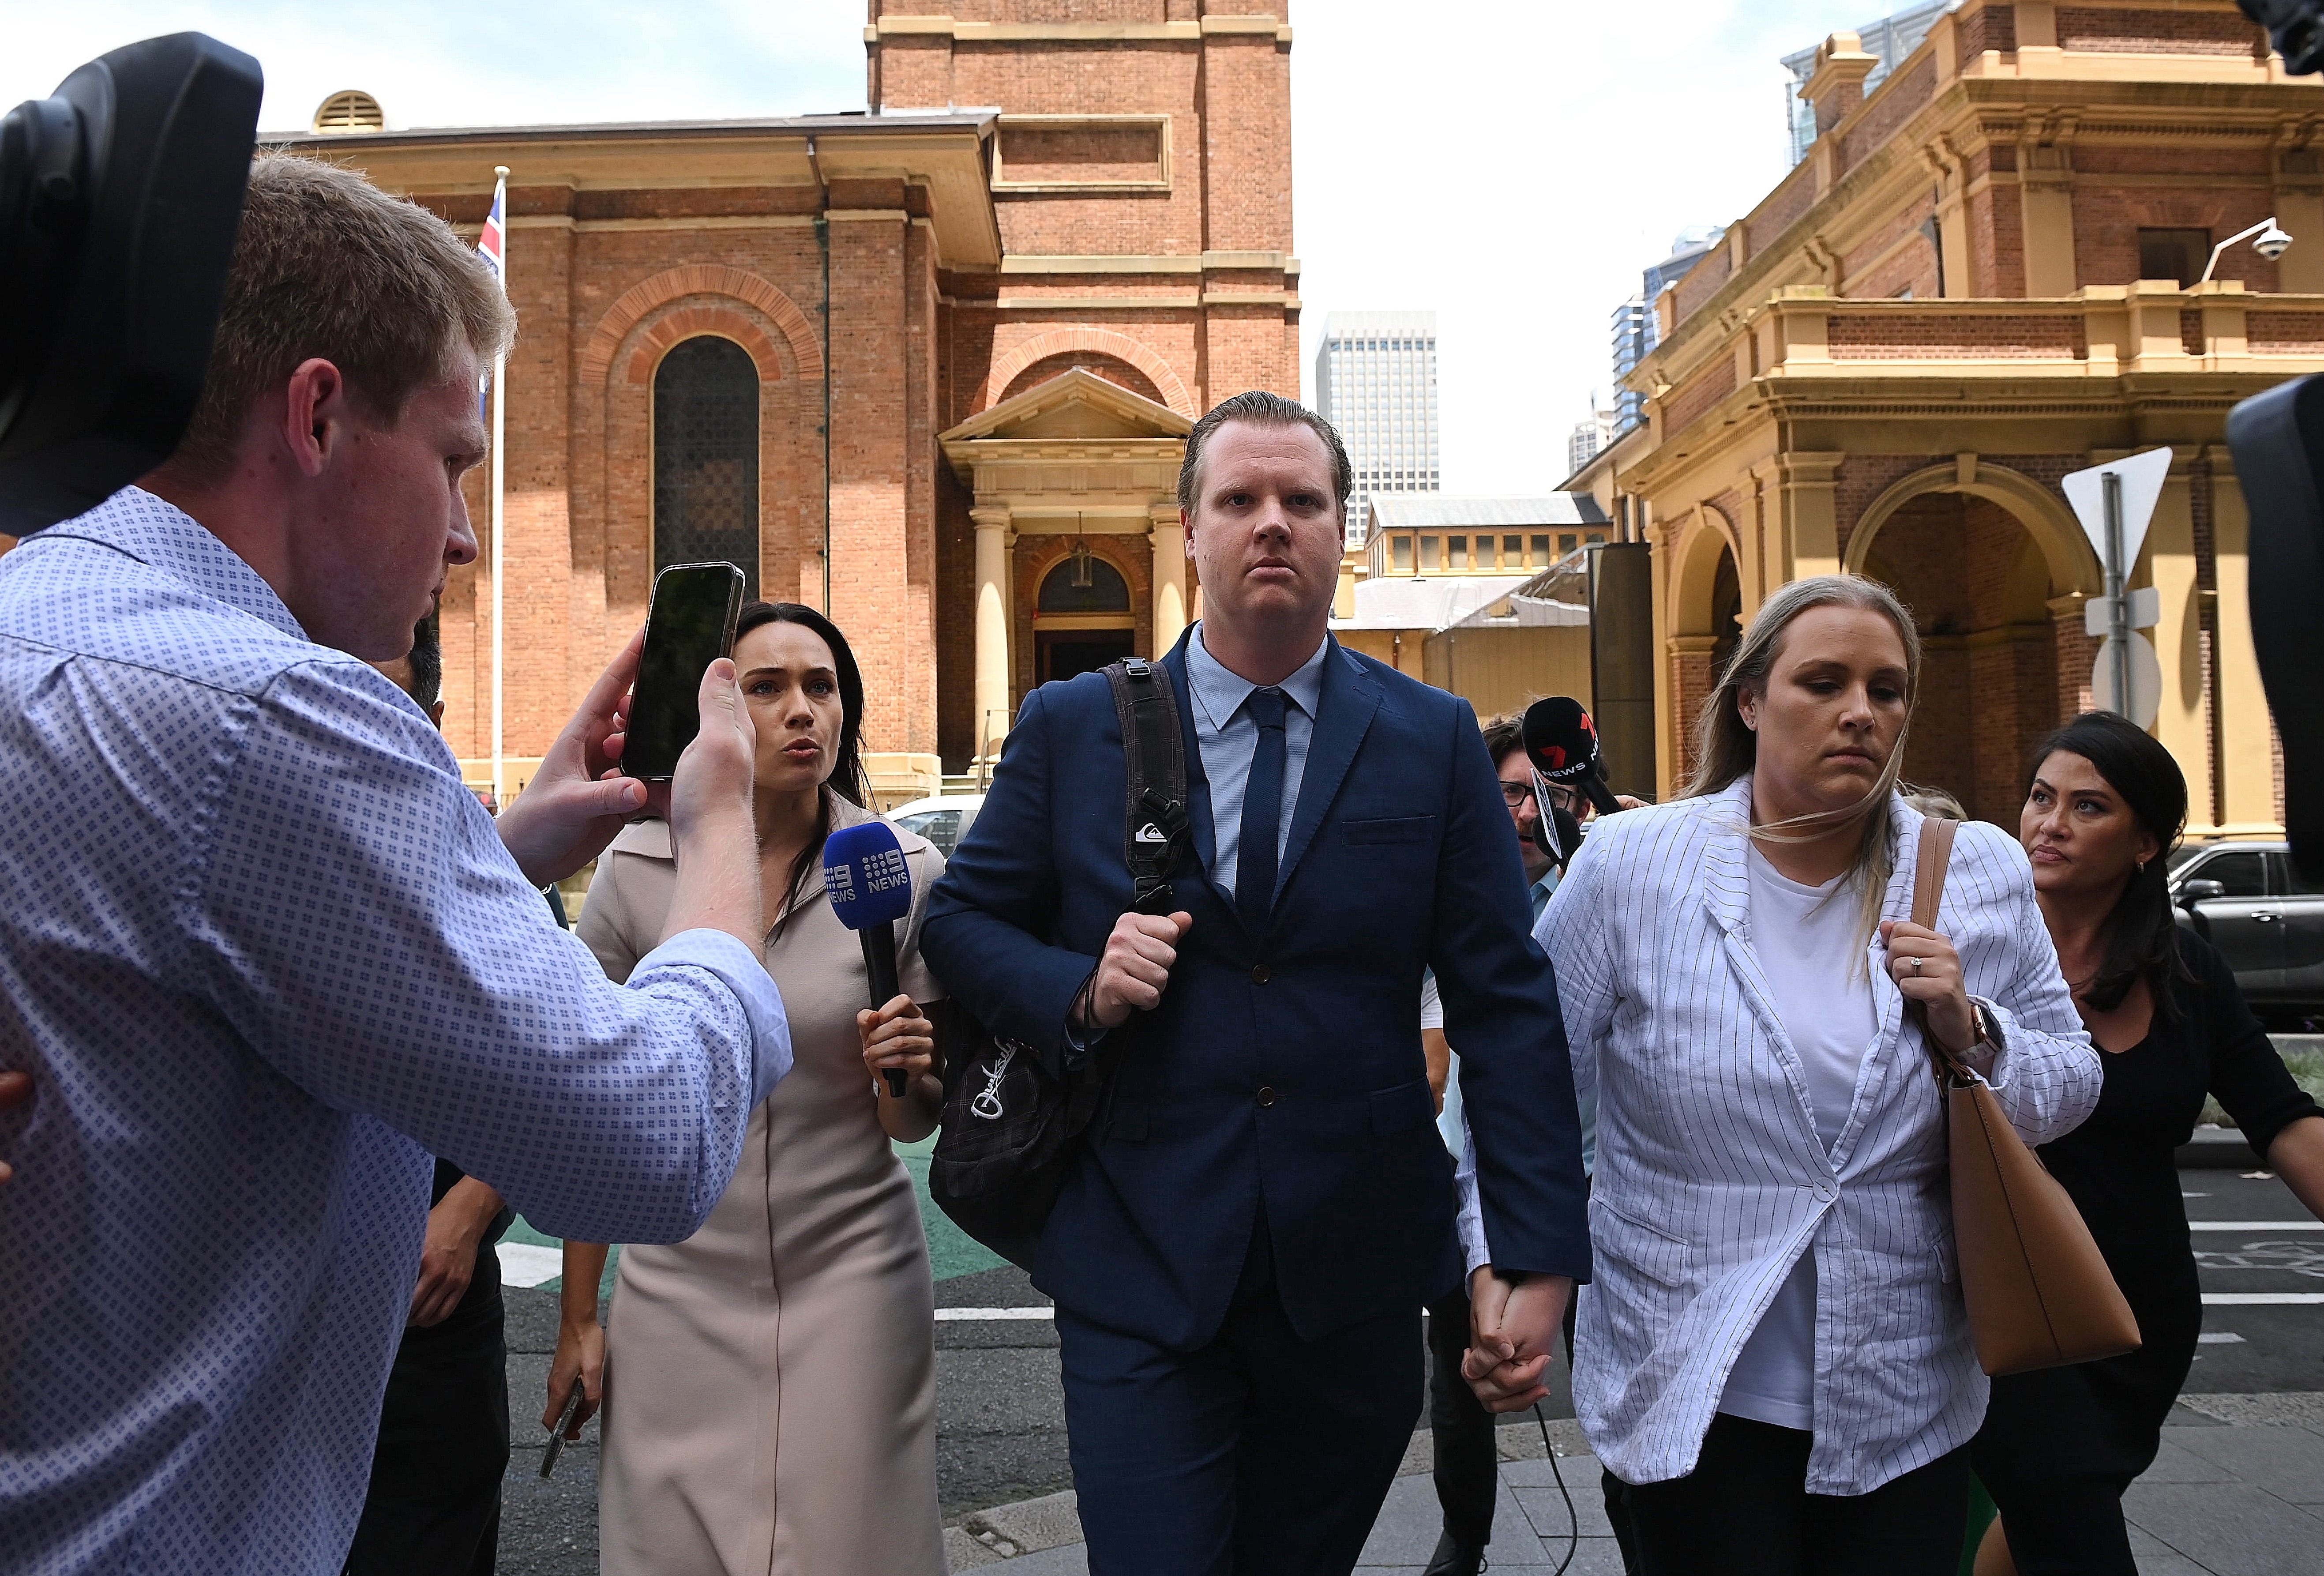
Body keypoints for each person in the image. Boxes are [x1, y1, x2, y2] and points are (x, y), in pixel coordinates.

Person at [0, 154, 788, 1575]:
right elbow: (649, 1142)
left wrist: (503, 840)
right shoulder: (281, 710)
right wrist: (721, 841)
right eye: (452, 459)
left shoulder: (40, 611)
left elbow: (188, 936)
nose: (469, 533)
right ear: (314, 414)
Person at [922, 390, 1591, 1576]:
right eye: (1239, 500)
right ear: (1190, 528)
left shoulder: (1428, 738)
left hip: (1356, 1275)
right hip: (1139, 1261)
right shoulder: (1074, 726)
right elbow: (964, 919)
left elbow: (1505, 1004)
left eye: (1302, 500)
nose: (1270, 523)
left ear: (1346, 529)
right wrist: (1079, 985)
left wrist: (1530, 1255)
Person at [1518, 574, 2102, 1576]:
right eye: (1823, 682)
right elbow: (1525, 1091)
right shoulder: (1630, 866)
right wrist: (1518, 1270)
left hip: (1902, 1388)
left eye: (1887, 690)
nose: (1859, 714)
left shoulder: (1979, 869)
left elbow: (2071, 1086)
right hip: (1690, 1377)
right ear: (1751, 701)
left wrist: (1972, 1025)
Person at [548, 602, 948, 1575]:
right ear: (717, 715)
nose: (801, 710)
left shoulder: (903, 872)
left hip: (853, 1271)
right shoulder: (636, 872)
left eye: (822, 687)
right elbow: (604, 1109)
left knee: (852, 1547)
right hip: (677, 1287)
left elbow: (912, 1121)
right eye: (765, 688)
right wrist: (579, 1315)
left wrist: (902, 1068)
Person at [1971, 712, 2324, 1575]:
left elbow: (2282, 1119)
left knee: (2037, 1530)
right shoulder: (1970, 954)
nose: (2050, 822)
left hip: (2137, 1322)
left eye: (2088, 806)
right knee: (2067, 1515)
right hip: (2001, 1314)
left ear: (2146, 843)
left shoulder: (2189, 972)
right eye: (2041, 797)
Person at [342, 614, 517, 1576]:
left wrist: (471, 1204)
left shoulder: (500, 875)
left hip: (432, 1313)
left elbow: (552, 1086)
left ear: (432, 713)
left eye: (376, 695)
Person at [1416, 713, 1568, 1576]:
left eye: (1547, 796)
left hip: (1591, 1175)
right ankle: (1464, 1532)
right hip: (1463, 1160)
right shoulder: (1450, 897)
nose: (1525, 814)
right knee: (1462, 1356)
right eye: (1510, 791)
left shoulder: (1598, 891)